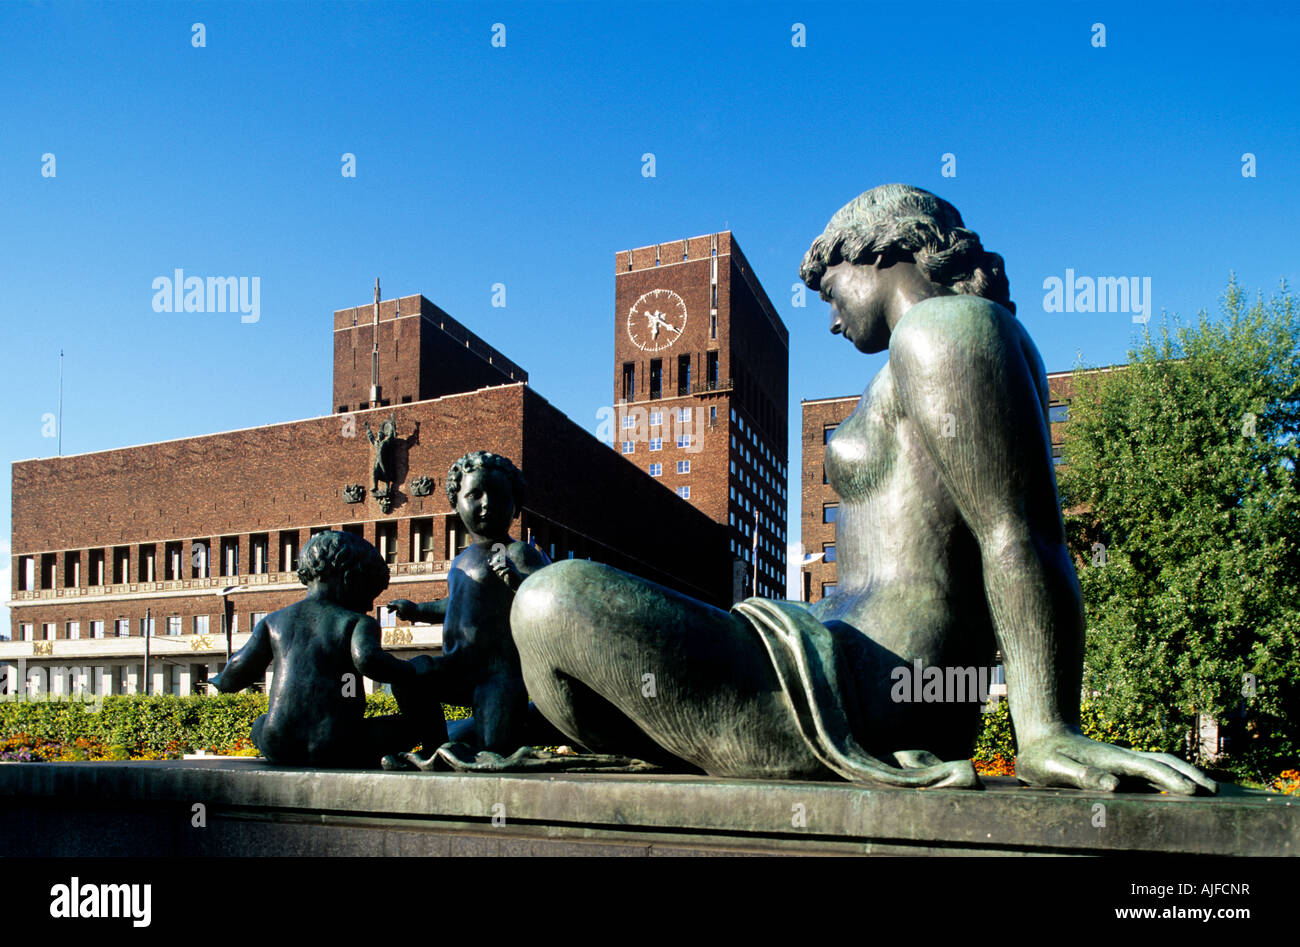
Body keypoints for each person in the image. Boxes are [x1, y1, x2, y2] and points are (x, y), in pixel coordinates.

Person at [511, 185, 1216, 794]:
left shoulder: (946, 328)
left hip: (872, 686)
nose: (829, 315)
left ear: (880, 252)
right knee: (554, 665)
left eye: (831, 288)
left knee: (552, 599)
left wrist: (1047, 729)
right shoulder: (939, 344)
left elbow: (1020, 532)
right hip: (833, 651)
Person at [386, 450, 552, 760]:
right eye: (475, 494)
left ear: (515, 506)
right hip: (456, 667)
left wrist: (517, 582)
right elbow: (454, 604)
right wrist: (418, 610)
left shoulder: (520, 554)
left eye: (499, 495)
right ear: (455, 502)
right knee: (409, 676)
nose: (487, 503)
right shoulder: (460, 561)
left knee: (495, 752)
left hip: (498, 676)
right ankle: (436, 750)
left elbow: (548, 600)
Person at [211, 530, 425, 768]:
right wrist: (411, 670)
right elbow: (367, 659)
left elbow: (239, 667)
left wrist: (222, 680)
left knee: (260, 724)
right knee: (413, 725)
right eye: (369, 594)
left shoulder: (273, 622)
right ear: (351, 580)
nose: (369, 605)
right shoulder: (356, 622)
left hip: (278, 744)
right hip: (339, 743)